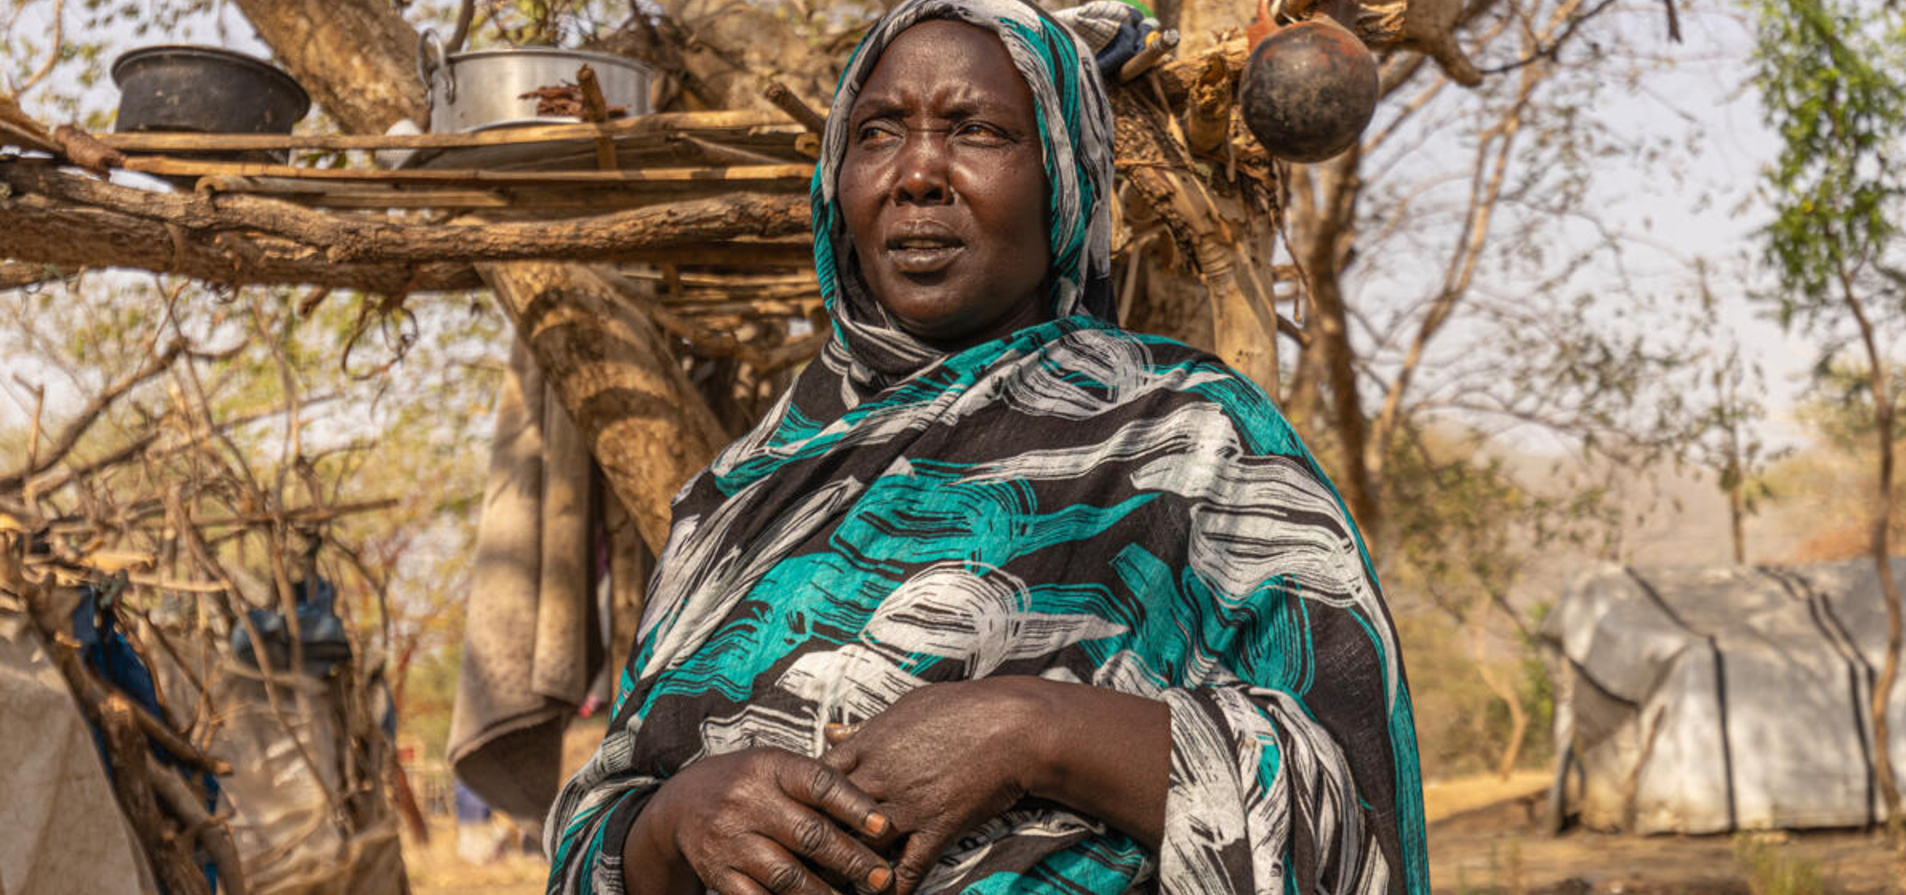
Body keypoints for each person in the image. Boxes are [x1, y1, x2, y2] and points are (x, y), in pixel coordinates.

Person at [545, 1, 1428, 893]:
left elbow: (1354, 810)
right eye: (879, 131)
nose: (918, 172)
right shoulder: (737, 496)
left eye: (978, 129)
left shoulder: (1196, 442)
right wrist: (671, 823)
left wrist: (1037, 732)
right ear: (836, 180)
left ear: (1066, 179)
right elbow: (597, 835)